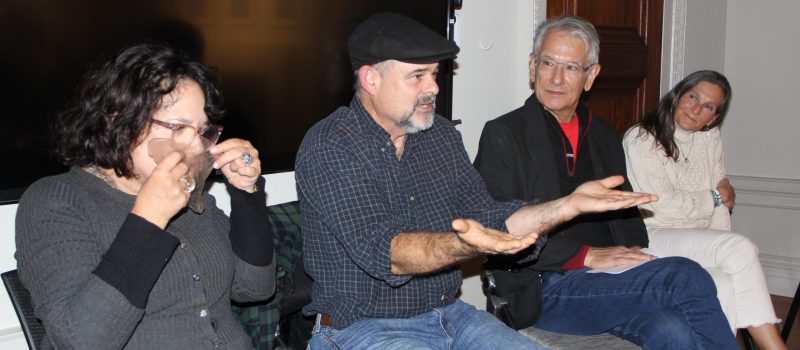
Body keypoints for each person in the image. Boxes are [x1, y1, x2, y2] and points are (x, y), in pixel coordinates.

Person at [295, 12, 658, 350]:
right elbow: (387, 254)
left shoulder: (439, 135)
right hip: (361, 328)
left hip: (449, 316)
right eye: (417, 76)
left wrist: (567, 206)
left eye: (435, 75)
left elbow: (491, 215)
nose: (434, 88)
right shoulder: (331, 146)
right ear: (371, 79)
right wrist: (469, 244)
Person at [474, 16, 738, 349]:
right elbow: (495, 226)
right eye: (548, 63)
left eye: (571, 67)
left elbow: (627, 219)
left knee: (672, 331)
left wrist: (632, 256)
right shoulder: (505, 134)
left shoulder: (603, 136)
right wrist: (584, 255)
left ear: (591, 76)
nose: (556, 78)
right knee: (685, 275)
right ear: (533, 66)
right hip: (544, 286)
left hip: (608, 282)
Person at [15, 42, 276, 349]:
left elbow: (254, 288)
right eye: (178, 127)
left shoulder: (189, 192)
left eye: (202, 130)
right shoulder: (56, 201)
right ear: (119, 120)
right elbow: (78, 342)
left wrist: (246, 192)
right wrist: (149, 218)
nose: (194, 147)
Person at [623, 70, 787, 350]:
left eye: (708, 106)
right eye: (693, 97)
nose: (697, 109)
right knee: (739, 249)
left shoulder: (709, 139)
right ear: (677, 95)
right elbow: (660, 205)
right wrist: (712, 196)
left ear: (714, 117)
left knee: (722, 281)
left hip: (697, 238)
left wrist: (719, 246)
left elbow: (721, 207)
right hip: (653, 233)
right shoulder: (641, 138)